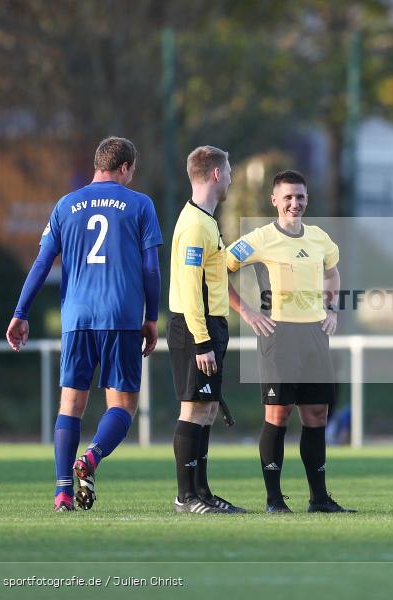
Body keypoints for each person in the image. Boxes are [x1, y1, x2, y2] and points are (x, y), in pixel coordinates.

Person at [6, 136, 162, 512]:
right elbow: (151, 268)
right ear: (124, 168)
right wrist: (152, 317)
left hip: (76, 317)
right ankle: (91, 457)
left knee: (71, 404)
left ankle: (62, 494)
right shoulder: (140, 204)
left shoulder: (65, 205)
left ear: (98, 164)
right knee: (122, 406)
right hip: (121, 315)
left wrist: (20, 312)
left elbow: (43, 264)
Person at [227, 169, 354, 513]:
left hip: (315, 335)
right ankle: (274, 500)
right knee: (278, 415)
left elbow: (332, 272)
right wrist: (249, 313)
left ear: (306, 199)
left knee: (316, 414)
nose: (294, 203)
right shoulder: (259, 238)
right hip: (277, 335)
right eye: (287, 197)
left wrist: (331, 308)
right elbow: (219, 268)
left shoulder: (319, 239)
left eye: (299, 197)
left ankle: (319, 499)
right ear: (274, 201)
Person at [168, 145, 244, 514]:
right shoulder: (195, 225)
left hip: (210, 326)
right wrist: (201, 342)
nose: (230, 177)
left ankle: (202, 492)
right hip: (194, 329)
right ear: (215, 174)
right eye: (228, 171)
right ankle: (186, 496)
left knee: (208, 409)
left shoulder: (207, 220)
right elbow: (188, 287)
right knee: (194, 410)